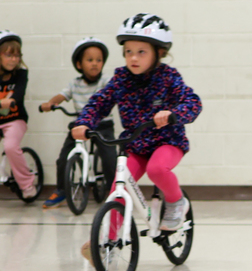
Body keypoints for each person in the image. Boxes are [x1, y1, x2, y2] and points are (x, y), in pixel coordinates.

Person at [73, 14, 202, 238]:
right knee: (117, 190)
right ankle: (107, 243)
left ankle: (176, 202)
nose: (133, 57)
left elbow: (193, 102)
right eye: (129, 51)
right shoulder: (121, 78)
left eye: (141, 52)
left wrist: (173, 114)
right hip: (137, 144)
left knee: (156, 169)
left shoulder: (168, 77)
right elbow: (100, 101)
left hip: (167, 141)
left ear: (158, 53)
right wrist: (84, 122)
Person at [40, 37, 117, 209]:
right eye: (90, 60)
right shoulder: (74, 84)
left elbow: (114, 93)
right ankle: (61, 190)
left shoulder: (105, 82)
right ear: (79, 64)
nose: (95, 64)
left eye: (99, 60)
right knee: (63, 158)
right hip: (80, 126)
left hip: (103, 125)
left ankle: (114, 192)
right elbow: (62, 96)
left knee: (110, 157)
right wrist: (51, 103)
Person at [0, 31, 37, 199]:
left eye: (17, 56)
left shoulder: (21, 74)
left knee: (10, 146)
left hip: (15, 120)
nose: (14, 60)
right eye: (9, 55)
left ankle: (27, 183)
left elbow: (19, 93)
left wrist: (12, 100)